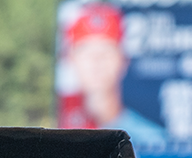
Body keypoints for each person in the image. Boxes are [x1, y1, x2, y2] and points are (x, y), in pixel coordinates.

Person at [59, 3, 167, 143]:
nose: (96, 61)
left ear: (123, 60)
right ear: (71, 59)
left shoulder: (152, 140)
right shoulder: (57, 129)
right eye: (86, 50)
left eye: (107, 51)